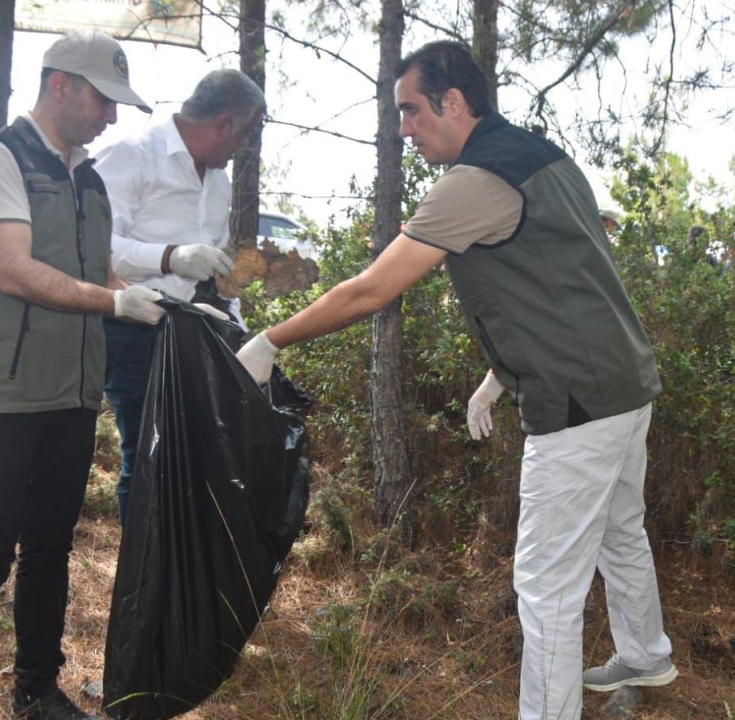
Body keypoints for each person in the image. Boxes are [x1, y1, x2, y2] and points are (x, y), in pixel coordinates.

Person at [235, 40, 676, 720]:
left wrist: (270, 339)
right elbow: (562, 274)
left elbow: (369, 291)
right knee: (621, 530)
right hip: (623, 385)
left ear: (455, 103)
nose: (404, 128)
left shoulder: (472, 182)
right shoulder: (545, 158)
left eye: (412, 111)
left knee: (545, 587)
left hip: (577, 402)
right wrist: (499, 375)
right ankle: (646, 655)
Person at [0, 30, 161, 720]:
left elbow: (99, 274)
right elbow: (15, 270)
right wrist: (114, 302)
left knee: (50, 549)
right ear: (60, 85)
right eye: (103, 100)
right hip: (0, 395)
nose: (111, 117)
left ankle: (37, 687)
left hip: (70, 396)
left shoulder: (87, 180)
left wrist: (159, 289)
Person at [93, 68, 264, 524]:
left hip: (197, 332)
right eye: (244, 134)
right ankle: (144, 586)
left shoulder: (218, 182)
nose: (243, 146)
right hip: (135, 326)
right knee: (147, 456)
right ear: (223, 123)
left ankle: (183, 580)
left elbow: (212, 265)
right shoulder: (131, 157)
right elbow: (96, 251)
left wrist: (235, 320)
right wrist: (170, 257)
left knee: (197, 458)